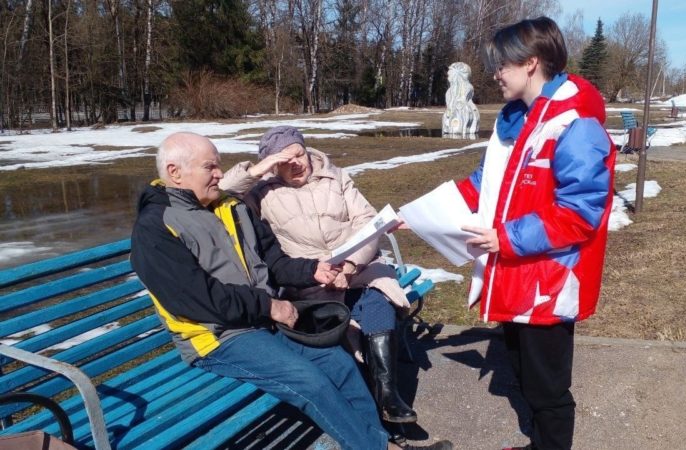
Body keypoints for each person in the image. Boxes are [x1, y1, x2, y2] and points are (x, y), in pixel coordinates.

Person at [130, 132, 451, 450]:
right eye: (210, 167)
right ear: (175, 173)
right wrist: (269, 306)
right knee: (310, 381)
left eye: (218, 166)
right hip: (218, 336)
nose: (218, 174)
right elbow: (198, 300)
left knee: (338, 364)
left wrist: (312, 270)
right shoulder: (155, 227)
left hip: (262, 319)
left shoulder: (229, 207)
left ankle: (381, 444)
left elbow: (273, 261)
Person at [453, 18, 616, 450]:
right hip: (514, 272)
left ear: (530, 63)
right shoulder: (515, 122)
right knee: (523, 373)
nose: (494, 74)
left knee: (548, 391)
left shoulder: (574, 123)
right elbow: (483, 184)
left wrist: (504, 239)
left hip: (549, 278)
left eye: (501, 65)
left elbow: (580, 214)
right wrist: (425, 213)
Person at [219, 125, 417, 425]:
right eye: (284, 160)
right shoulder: (262, 192)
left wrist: (350, 267)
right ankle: (370, 403)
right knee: (344, 320)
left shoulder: (336, 177)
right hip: (309, 280)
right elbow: (220, 193)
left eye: (298, 154)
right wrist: (260, 169)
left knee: (377, 298)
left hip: (358, 266)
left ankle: (387, 395)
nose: (295, 163)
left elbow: (367, 221)